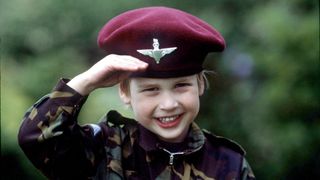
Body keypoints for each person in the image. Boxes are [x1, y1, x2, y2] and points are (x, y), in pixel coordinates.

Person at [18, 6, 255, 180]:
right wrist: (87, 81)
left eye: (181, 85)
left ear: (200, 85)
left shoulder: (229, 163)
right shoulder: (105, 149)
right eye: (151, 90)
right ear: (125, 92)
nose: (169, 103)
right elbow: (36, 139)